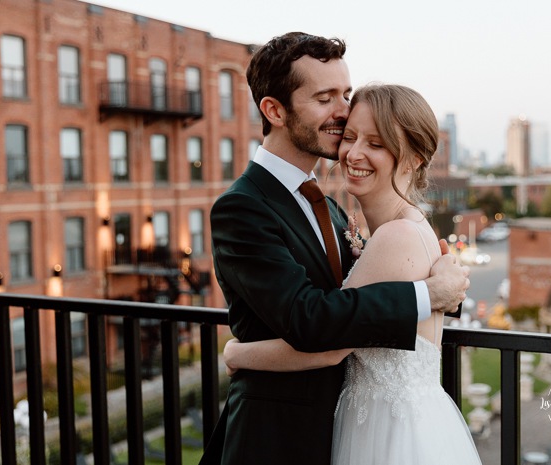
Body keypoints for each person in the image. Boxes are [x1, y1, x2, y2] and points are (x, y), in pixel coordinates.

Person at [200, 32, 470, 465]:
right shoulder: (242, 208)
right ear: (275, 110)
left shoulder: (326, 204)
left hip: (350, 431)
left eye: (345, 93)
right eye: (325, 98)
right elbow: (312, 320)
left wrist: (438, 291)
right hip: (277, 439)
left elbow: (360, 296)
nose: (342, 111)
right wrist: (427, 295)